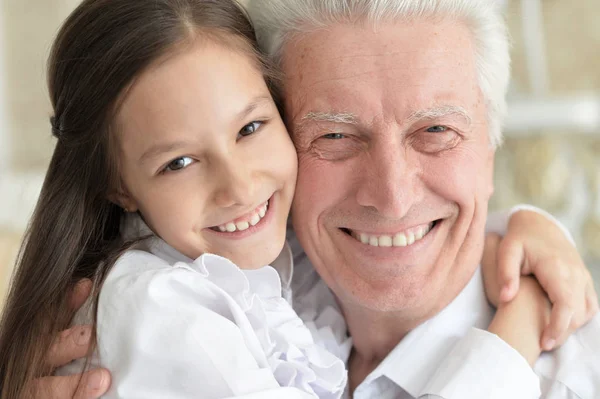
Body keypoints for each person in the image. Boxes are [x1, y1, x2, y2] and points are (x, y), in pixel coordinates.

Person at [1, 0, 598, 399]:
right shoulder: (201, 297)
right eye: (335, 135)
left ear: (490, 145)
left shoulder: (577, 372)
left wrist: (531, 231)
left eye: (436, 131)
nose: (391, 198)